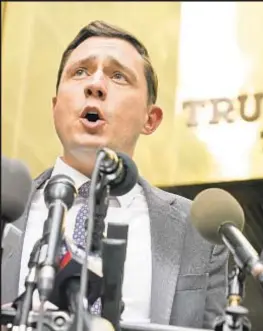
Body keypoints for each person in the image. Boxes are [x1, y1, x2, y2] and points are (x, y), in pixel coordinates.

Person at [1, 20, 229, 329]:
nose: (94, 85)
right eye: (79, 71)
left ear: (150, 119)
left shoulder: (198, 233)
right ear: (55, 107)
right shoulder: (7, 208)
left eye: (118, 76)